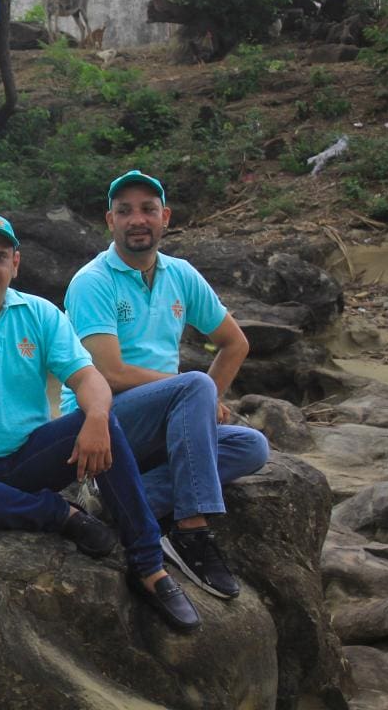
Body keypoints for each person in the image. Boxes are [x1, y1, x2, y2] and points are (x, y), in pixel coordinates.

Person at [0, 210, 201, 632]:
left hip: (26, 455)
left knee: (104, 424)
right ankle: (59, 514)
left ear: (15, 263)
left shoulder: (40, 313)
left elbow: (88, 377)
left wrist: (97, 416)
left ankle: (149, 566)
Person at [61, 171, 269, 600]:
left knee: (252, 447)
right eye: (125, 211)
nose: (137, 220)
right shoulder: (93, 281)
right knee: (194, 386)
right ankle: (191, 531)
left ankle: (115, 503)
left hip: (165, 420)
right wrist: (197, 390)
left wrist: (202, 399)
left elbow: (235, 343)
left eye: (148, 210)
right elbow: (109, 373)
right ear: (110, 221)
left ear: (165, 217)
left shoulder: (181, 274)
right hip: (100, 422)